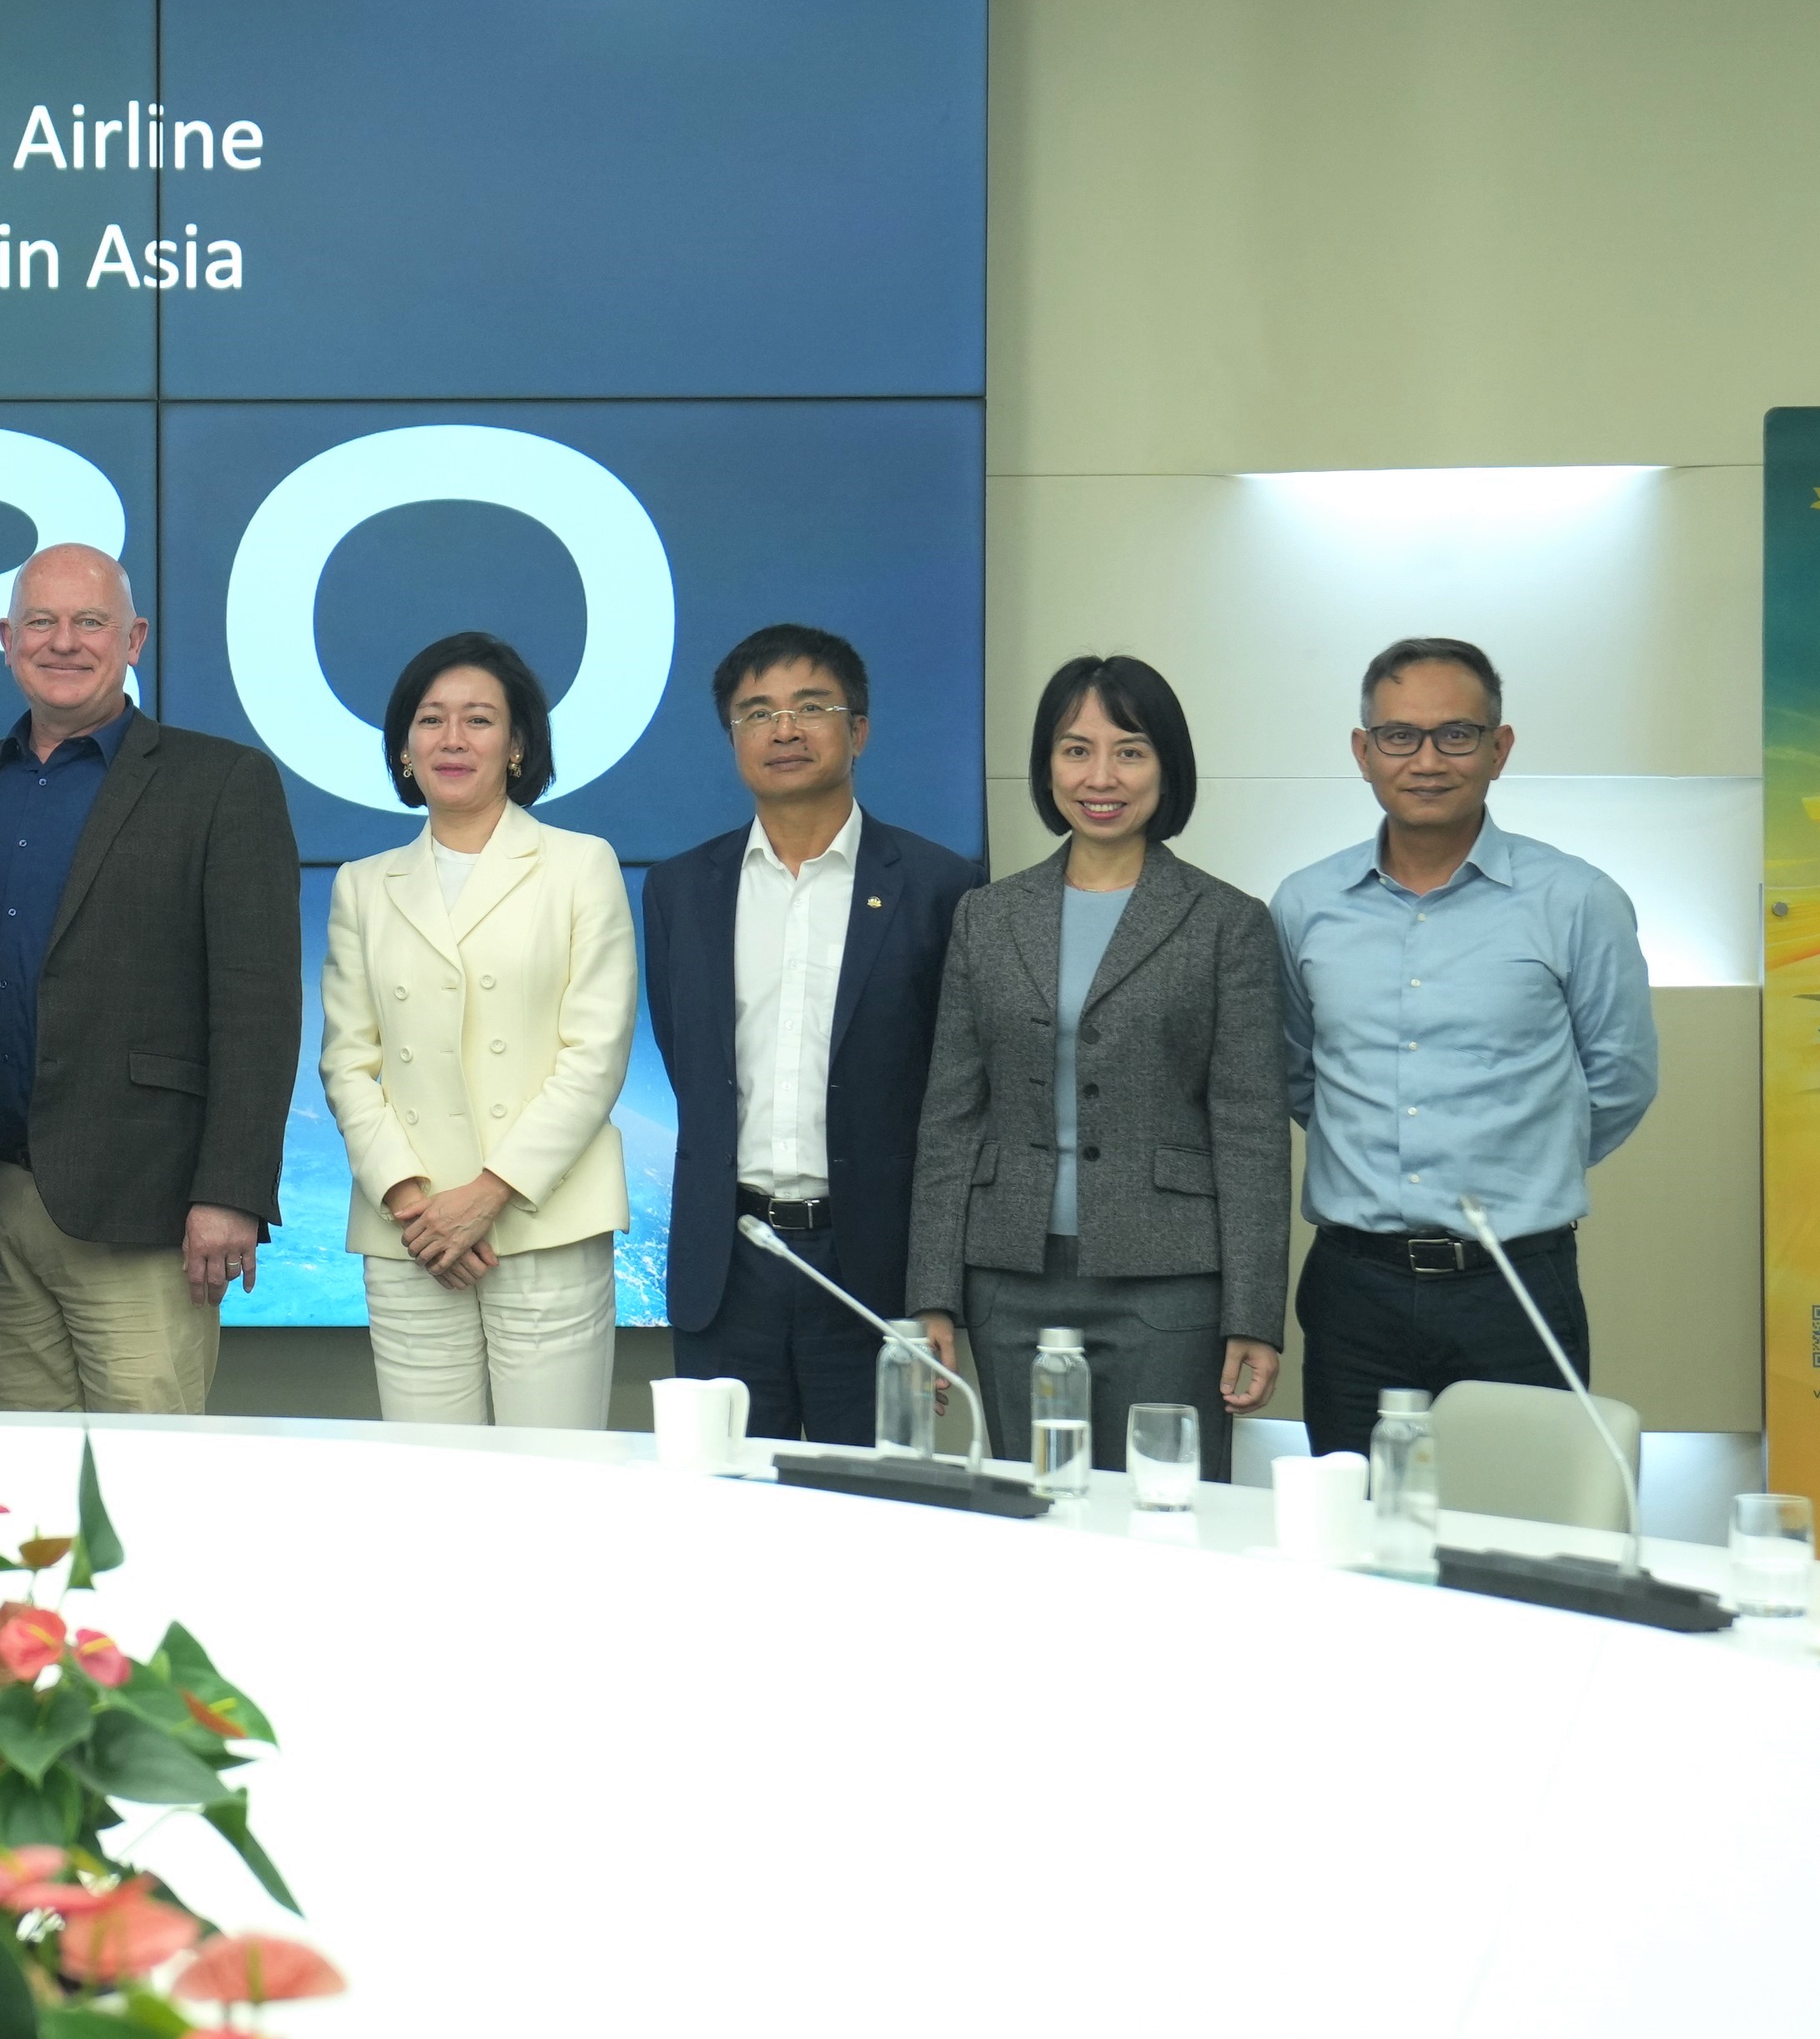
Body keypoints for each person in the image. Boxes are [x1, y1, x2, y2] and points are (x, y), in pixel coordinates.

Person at [0, 545, 300, 1414]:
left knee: (145, 1474)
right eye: (41, 622)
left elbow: (259, 1007)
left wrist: (230, 1193)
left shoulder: (222, 784)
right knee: (24, 1479)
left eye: (90, 621)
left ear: (134, 639)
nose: (64, 642)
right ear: (7, 640)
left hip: (145, 1210)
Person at [1274, 637, 1657, 1457]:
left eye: (1456, 734)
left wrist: (1526, 1162)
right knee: (1355, 1513)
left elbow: (1621, 1077)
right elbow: (1299, 1074)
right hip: (1353, 1287)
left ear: (1499, 748)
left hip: (1515, 1283)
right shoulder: (1304, 905)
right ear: (1363, 752)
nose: (1427, 760)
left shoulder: (1577, 900)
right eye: (1399, 736)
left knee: (1519, 1521)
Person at [907, 656, 1285, 1465]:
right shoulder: (986, 916)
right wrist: (932, 1294)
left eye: (1130, 751)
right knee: (1034, 1509)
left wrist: (1254, 1313)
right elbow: (951, 1117)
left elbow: (1251, 1131)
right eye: (1076, 750)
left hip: (1169, 1281)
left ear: (1167, 766)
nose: (1101, 776)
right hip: (1008, 1278)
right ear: (1048, 766)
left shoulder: (1227, 922)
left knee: (1164, 1512)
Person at [641, 625, 983, 1447]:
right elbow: (690, 1063)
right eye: (757, 712)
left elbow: (959, 1101)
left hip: (873, 1271)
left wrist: (935, 1290)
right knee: (724, 1498)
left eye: (811, 708)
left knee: (875, 1506)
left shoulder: (940, 886)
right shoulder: (682, 889)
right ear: (733, 738)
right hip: (729, 1264)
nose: (784, 730)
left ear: (858, 729)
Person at [318, 634, 638, 1427]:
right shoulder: (363, 886)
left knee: (553, 1476)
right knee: (431, 1481)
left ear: (518, 745)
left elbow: (596, 1054)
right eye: (431, 720)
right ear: (404, 749)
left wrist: (489, 1195)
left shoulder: (580, 864)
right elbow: (347, 1063)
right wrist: (413, 1204)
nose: (452, 739)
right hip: (412, 1235)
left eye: (479, 720)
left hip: (542, 1220)